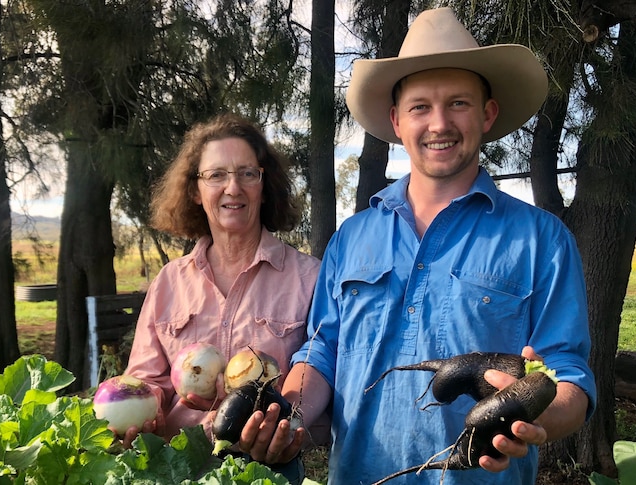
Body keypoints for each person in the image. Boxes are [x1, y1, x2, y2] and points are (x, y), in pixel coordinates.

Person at [236, 7, 597, 485]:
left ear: (488, 113)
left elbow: (568, 375)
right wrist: (291, 414)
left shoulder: (542, 240)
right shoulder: (352, 237)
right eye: (420, 107)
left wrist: (533, 420)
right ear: (397, 120)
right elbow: (322, 350)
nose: (439, 123)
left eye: (459, 104)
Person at [118, 113, 321, 483]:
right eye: (216, 175)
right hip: (175, 465)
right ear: (195, 190)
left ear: (264, 183)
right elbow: (145, 380)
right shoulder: (169, 282)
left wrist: (287, 425)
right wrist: (136, 414)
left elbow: (317, 376)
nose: (233, 188)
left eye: (247, 173)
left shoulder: (309, 278)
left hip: (267, 468)